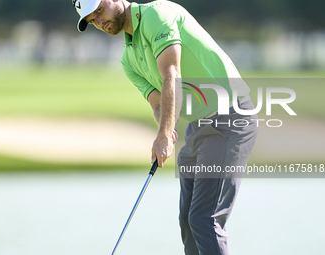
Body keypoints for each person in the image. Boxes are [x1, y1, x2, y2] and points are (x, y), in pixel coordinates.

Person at [72, 0, 258, 254]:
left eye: (99, 11)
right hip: (198, 128)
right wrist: (166, 129)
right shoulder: (128, 60)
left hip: (230, 118)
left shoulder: (156, 15)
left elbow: (172, 73)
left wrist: (162, 135)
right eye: (92, 20)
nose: (99, 21)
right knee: (188, 221)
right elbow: (157, 103)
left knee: (204, 219)